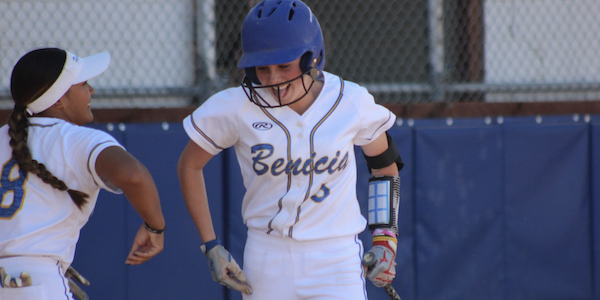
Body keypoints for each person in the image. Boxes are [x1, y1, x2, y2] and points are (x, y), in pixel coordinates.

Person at [177, 0, 404, 299]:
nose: (273, 79)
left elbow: (384, 167)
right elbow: (189, 166)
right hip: (267, 257)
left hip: (336, 259)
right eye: (262, 68)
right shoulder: (237, 106)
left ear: (313, 57)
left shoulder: (350, 101)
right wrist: (211, 244)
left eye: (284, 65)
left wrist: (385, 239)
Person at [0, 48, 166, 300]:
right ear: (57, 100)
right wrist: (155, 228)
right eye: (84, 84)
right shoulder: (78, 139)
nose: (92, 91)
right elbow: (134, 175)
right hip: (40, 282)